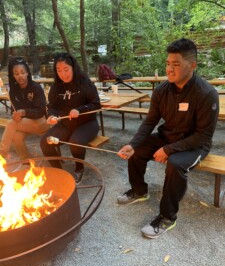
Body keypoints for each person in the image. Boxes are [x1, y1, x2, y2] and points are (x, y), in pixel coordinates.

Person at [117, 38, 219, 239]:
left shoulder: (206, 93)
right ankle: (139, 190)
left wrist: (169, 150)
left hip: (196, 145)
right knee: (137, 151)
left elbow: (203, 135)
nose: (170, 69)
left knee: (174, 164)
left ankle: (167, 217)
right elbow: (149, 122)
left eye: (176, 64)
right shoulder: (162, 90)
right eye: (168, 63)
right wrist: (132, 144)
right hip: (168, 136)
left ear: (192, 65)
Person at [40, 53, 101, 184]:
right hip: (66, 124)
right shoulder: (56, 86)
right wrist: (51, 115)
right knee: (45, 142)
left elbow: (96, 104)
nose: (63, 74)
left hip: (87, 123)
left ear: (73, 68)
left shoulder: (85, 83)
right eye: (59, 70)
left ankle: (79, 168)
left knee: (75, 142)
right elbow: (52, 106)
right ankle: (58, 170)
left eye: (66, 69)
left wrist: (80, 110)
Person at [0, 57, 49, 161]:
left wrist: (24, 112)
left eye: (22, 72)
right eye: (16, 73)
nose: (20, 76)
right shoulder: (13, 91)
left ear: (27, 73)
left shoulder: (35, 88)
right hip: (25, 124)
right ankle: (26, 161)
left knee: (11, 124)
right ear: (13, 76)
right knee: (16, 136)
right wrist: (15, 115)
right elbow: (15, 110)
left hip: (41, 122)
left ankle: (1, 154)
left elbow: (41, 111)